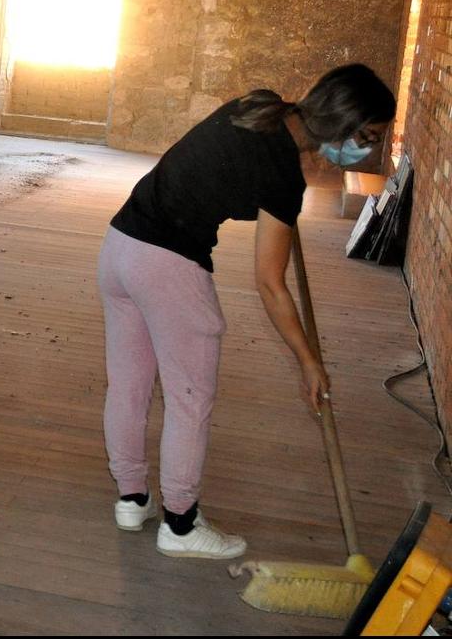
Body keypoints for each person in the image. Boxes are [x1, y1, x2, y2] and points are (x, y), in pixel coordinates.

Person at [98, 64, 395, 558]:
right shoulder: (282, 177)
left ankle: (132, 499)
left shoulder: (257, 106)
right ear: (349, 125)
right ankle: (181, 525)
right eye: (371, 137)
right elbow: (270, 284)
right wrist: (307, 359)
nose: (369, 150)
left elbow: (219, 173)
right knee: (189, 398)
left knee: (129, 383)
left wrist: (279, 204)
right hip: (168, 264)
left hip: (120, 247)